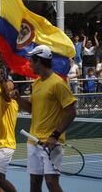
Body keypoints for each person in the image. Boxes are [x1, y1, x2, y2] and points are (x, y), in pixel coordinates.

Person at [12, 45, 76, 192]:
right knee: (34, 183)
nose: (29, 64)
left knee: (51, 183)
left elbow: (71, 112)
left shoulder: (58, 84)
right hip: (33, 141)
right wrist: (18, 99)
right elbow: (33, 109)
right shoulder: (36, 83)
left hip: (51, 142)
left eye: (31, 61)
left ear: (39, 61)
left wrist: (55, 135)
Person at [0, 79, 18, 192]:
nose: (8, 83)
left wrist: (0, 79)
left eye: (10, 82)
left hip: (5, 145)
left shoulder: (9, 100)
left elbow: (4, 92)